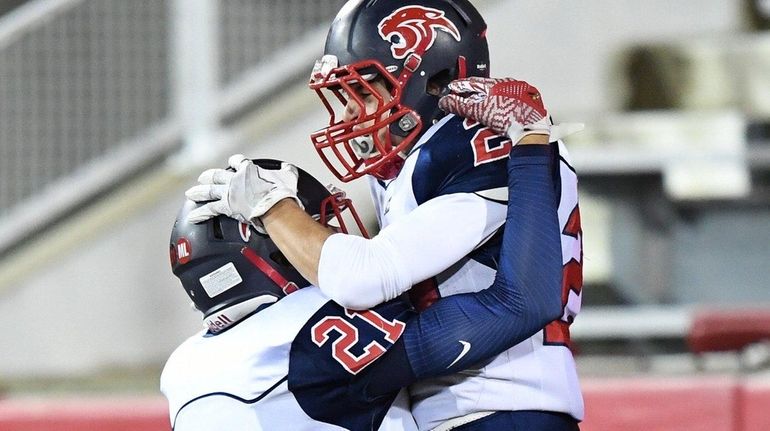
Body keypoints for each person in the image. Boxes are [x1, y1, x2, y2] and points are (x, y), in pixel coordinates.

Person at [184, 1, 583, 429]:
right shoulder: (420, 155)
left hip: (500, 400)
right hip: (474, 398)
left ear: (437, 77)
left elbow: (365, 277)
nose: (352, 112)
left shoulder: (480, 139)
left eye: (366, 87)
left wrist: (273, 208)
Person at [164, 145, 566, 430]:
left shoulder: (183, 368)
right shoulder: (312, 326)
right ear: (273, 253)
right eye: (317, 226)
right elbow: (519, 305)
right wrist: (531, 149)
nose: (332, 235)